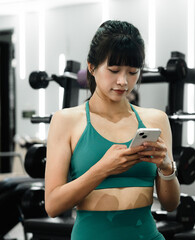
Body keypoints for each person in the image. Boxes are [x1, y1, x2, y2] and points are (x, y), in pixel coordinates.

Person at [44, 20, 180, 240]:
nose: (123, 82)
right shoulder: (66, 121)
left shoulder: (156, 119)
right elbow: (52, 205)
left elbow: (171, 204)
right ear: (91, 67)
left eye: (132, 72)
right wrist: (103, 169)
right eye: (114, 70)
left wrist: (166, 168)